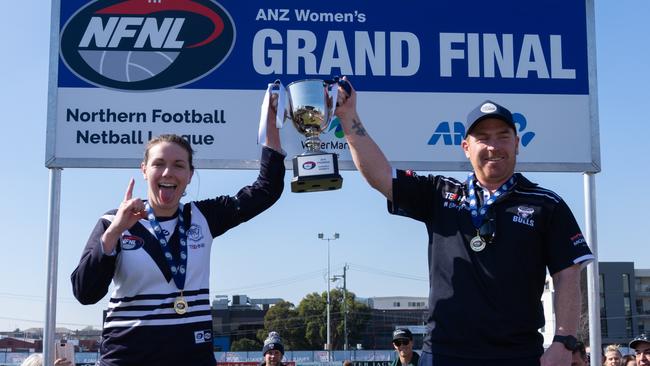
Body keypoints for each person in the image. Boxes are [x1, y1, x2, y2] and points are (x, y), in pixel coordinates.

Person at [334, 78, 594, 366]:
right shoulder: (440, 193)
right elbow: (381, 174)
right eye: (483, 137)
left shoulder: (547, 203)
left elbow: (568, 275)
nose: (493, 146)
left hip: (517, 355)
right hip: (444, 354)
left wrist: (563, 341)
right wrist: (348, 116)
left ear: (518, 143)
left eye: (503, 136)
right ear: (465, 147)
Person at [71, 104, 285, 365]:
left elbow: (266, 190)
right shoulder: (112, 222)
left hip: (191, 356)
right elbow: (85, 293)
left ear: (190, 174)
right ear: (144, 170)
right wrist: (115, 232)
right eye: (158, 164)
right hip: (127, 357)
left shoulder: (203, 217)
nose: (168, 172)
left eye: (178, 165)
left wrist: (273, 125)